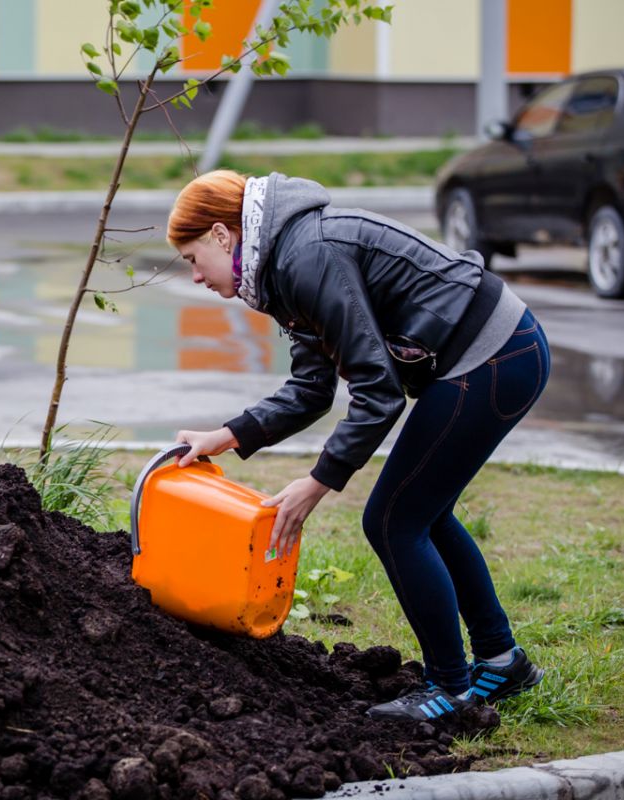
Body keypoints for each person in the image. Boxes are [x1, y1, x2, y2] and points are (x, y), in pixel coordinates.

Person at [167, 169, 549, 721]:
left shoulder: (305, 256)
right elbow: (311, 388)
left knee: (394, 520)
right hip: (493, 353)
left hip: (492, 356)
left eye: (191, 257)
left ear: (223, 236)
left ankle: (449, 687)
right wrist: (222, 438)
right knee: (423, 513)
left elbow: (377, 388)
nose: (195, 276)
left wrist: (317, 483)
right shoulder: (280, 266)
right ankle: (500, 660)